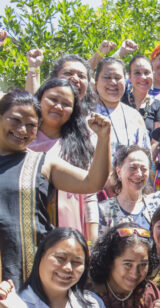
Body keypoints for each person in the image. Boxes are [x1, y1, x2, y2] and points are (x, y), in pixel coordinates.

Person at [0, 90, 111, 287]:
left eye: (32, 125)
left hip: (27, 273)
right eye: (15, 120)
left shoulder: (41, 163)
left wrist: (103, 138)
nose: (23, 130)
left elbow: (92, 182)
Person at [30, 78, 99, 243]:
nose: (58, 107)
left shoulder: (81, 143)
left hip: (69, 226)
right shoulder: (24, 139)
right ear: (39, 99)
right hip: (28, 225)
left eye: (66, 104)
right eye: (53, 99)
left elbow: (89, 196)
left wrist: (92, 240)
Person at [93, 57, 151, 157]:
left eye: (117, 78)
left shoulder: (134, 116)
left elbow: (146, 157)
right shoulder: (85, 113)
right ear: (96, 78)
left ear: (126, 80)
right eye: (107, 77)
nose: (113, 82)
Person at [121, 56, 160, 133]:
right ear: (129, 77)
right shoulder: (119, 100)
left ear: (152, 75)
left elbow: (156, 142)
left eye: (146, 73)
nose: (143, 77)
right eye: (137, 73)